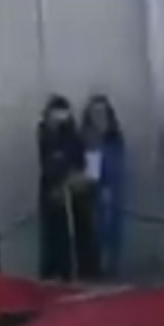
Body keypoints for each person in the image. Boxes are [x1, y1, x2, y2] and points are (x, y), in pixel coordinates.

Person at [37, 96, 100, 281]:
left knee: (80, 233)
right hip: (53, 191)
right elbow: (47, 162)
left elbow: (79, 158)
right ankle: (54, 270)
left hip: (75, 190)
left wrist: (74, 176)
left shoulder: (73, 135)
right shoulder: (45, 134)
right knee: (53, 233)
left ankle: (81, 269)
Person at [81, 94, 127, 276]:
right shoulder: (86, 138)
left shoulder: (115, 137)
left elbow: (120, 162)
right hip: (94, 192)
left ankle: (113, 265)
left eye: (102, 113)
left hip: (114, 190)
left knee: (114, 230)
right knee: (94, 229)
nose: (99, 117)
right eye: (95, 113)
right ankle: (95, 265)